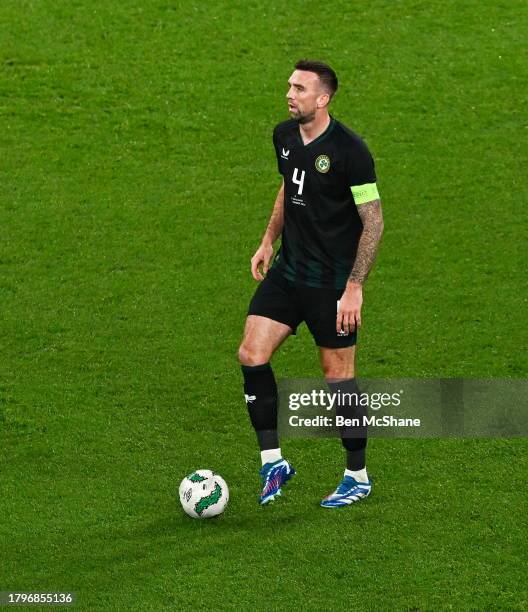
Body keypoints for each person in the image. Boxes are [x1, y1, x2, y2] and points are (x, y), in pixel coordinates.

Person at [238, 59, 384, 507]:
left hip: (331, 285)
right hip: (289, 272)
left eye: (299, 89)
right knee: (251, 353)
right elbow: (288, 186)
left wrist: (355, 286)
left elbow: (373, 221)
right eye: (289, 86)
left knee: (338, 379)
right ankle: (273, 461)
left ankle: (356, 476)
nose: (290, 94)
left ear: (322, 99)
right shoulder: (284, 136)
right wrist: (268, 239)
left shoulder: (350, 151)